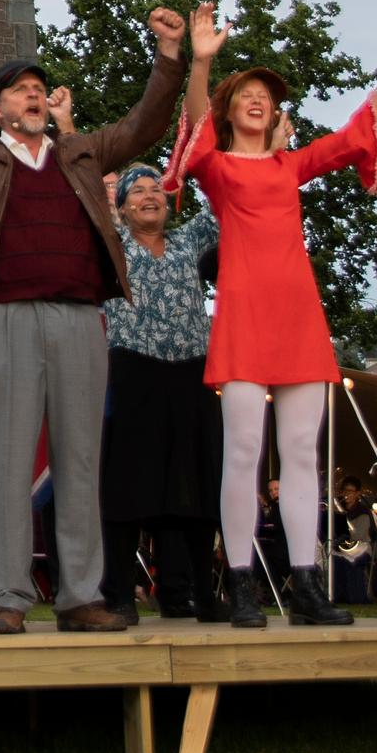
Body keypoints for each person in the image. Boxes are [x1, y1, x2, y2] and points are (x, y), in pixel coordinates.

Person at [0, 0, 186, 634]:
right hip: (5, 318)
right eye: (20, 91)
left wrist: (168, 55)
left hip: (79, 318)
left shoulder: (81, 153)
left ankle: (80, 595)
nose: (33, 97)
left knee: (81, 458)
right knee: (5, 458)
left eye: (38, 88)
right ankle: (7, 595)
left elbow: (145, 125)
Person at [167, 3, 377, 628]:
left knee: (303, 452)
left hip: (299, 318)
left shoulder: (290, 164)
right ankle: (245, 584)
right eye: (246, 94)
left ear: (276, 112)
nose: (257, 100)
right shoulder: (220, 170)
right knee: (243, 451)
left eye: (266, 96)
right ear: (231, 111)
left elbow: (354, 134)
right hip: (246, 317)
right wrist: (201, 62)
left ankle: (307, 586)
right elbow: (194, 131)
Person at [97, 164, 224, 622]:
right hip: (134, 369)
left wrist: (253, 147)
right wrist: (68, 125)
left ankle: (188, 593)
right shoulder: (113, 241)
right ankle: (118, 594)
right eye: (138, 191)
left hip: (192, 372)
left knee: (194, 486)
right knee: (129, 486)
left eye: (157, 189)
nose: (149, 195)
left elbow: (222, 198)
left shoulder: (189, 241)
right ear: (122, 205)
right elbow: (90, 192)